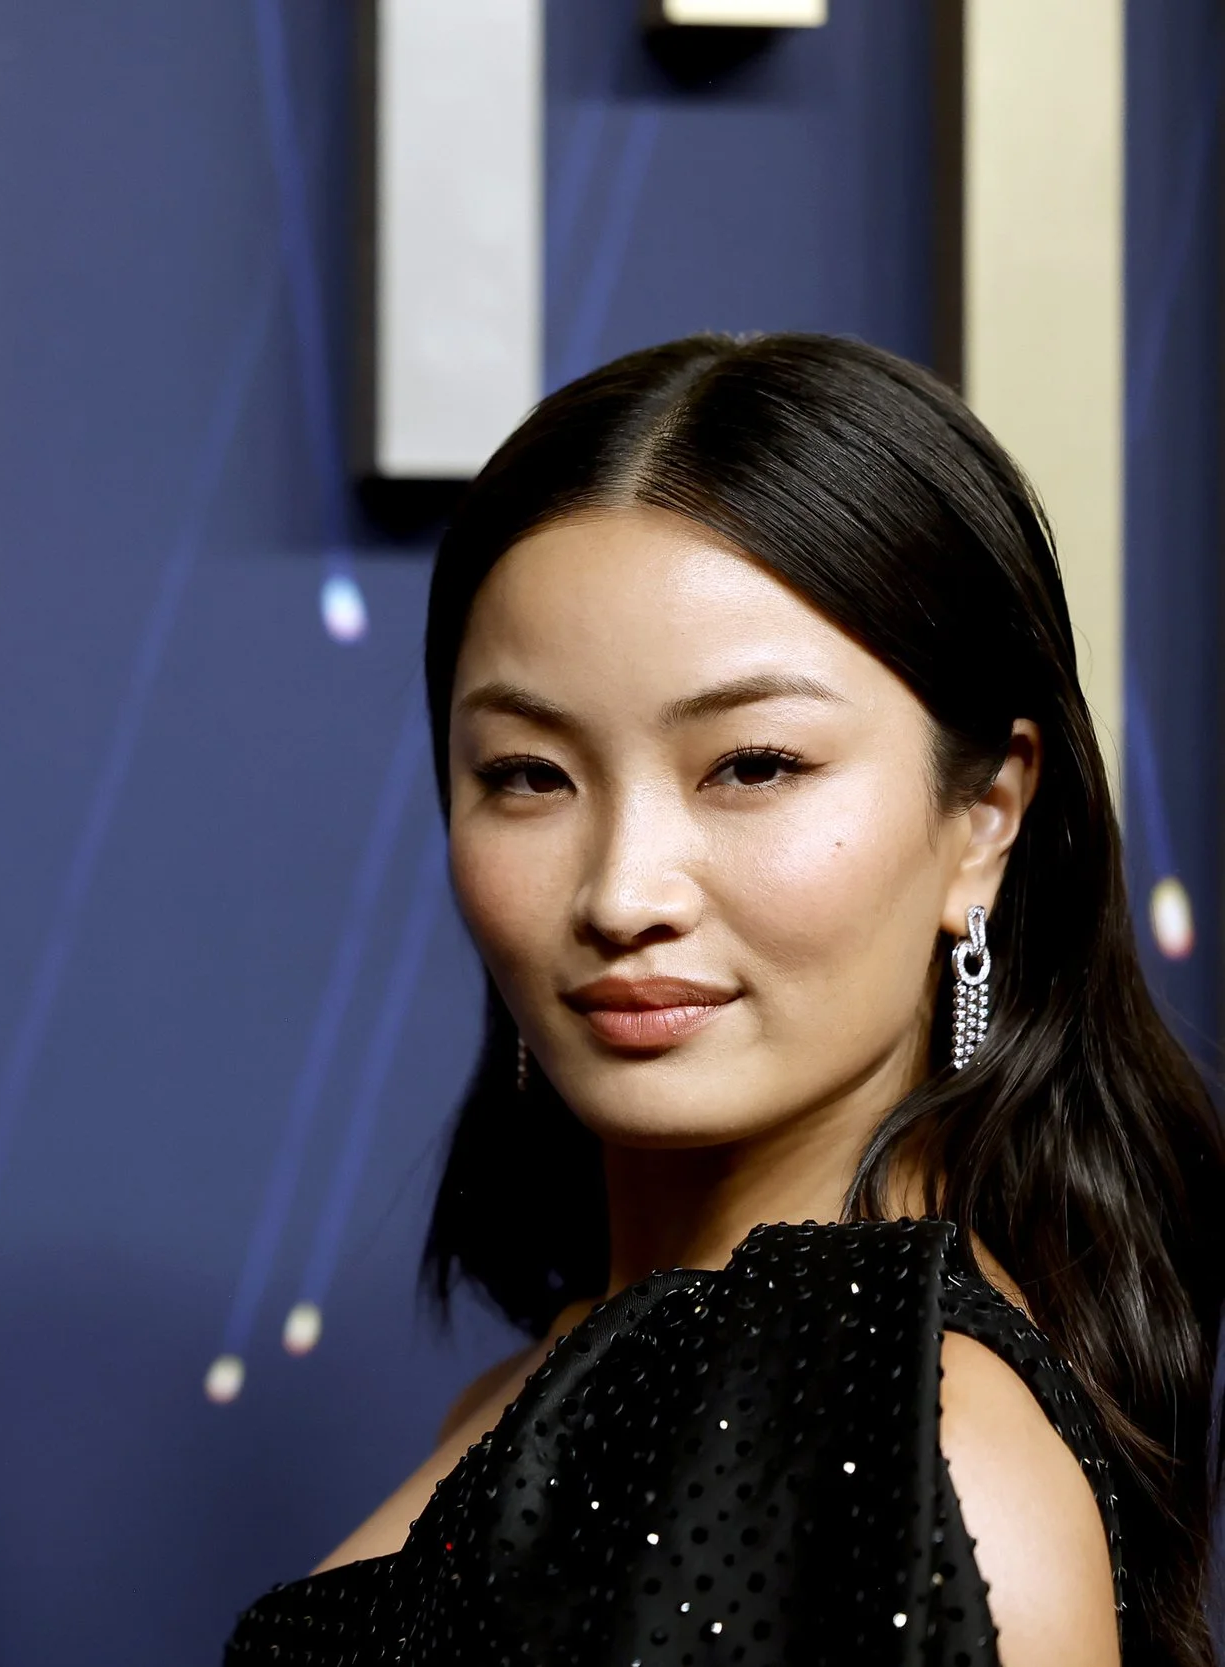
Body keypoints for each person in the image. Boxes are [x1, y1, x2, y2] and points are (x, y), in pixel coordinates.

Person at [224, 334, 1225, 1667]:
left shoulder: (901, 1437)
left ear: (986, 813)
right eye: (527, 772)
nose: (622, 889)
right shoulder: (572, 1382)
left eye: (752, 764)